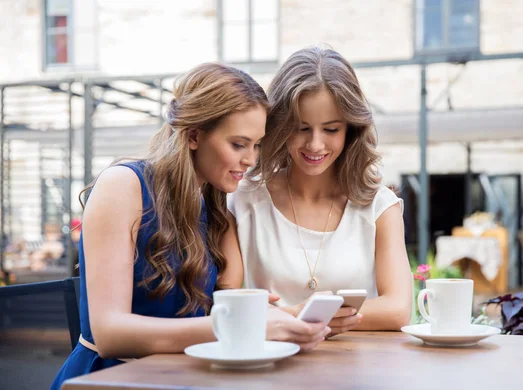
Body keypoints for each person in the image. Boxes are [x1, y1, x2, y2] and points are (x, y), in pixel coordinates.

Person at [51, 63, 329, 389]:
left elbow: (221, 302)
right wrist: (244, 325)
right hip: (111, 378)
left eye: (257, 145)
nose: (251, 160)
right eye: (239, 144)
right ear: (195, 135)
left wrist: (288, 318)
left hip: (182, 377)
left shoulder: (215, 205)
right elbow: (110, 334)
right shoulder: (124, 185)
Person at [228, 47, 413, 337]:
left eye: (330, 129)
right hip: (272, 367)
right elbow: (227, 302)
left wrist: (313, 314)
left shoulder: (379, 207)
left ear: (351, 129)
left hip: (360, 372)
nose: (315, 145)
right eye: (301, 128)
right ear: (279, 126)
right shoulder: (243, 201)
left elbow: (398, 309)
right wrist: (303, 315)